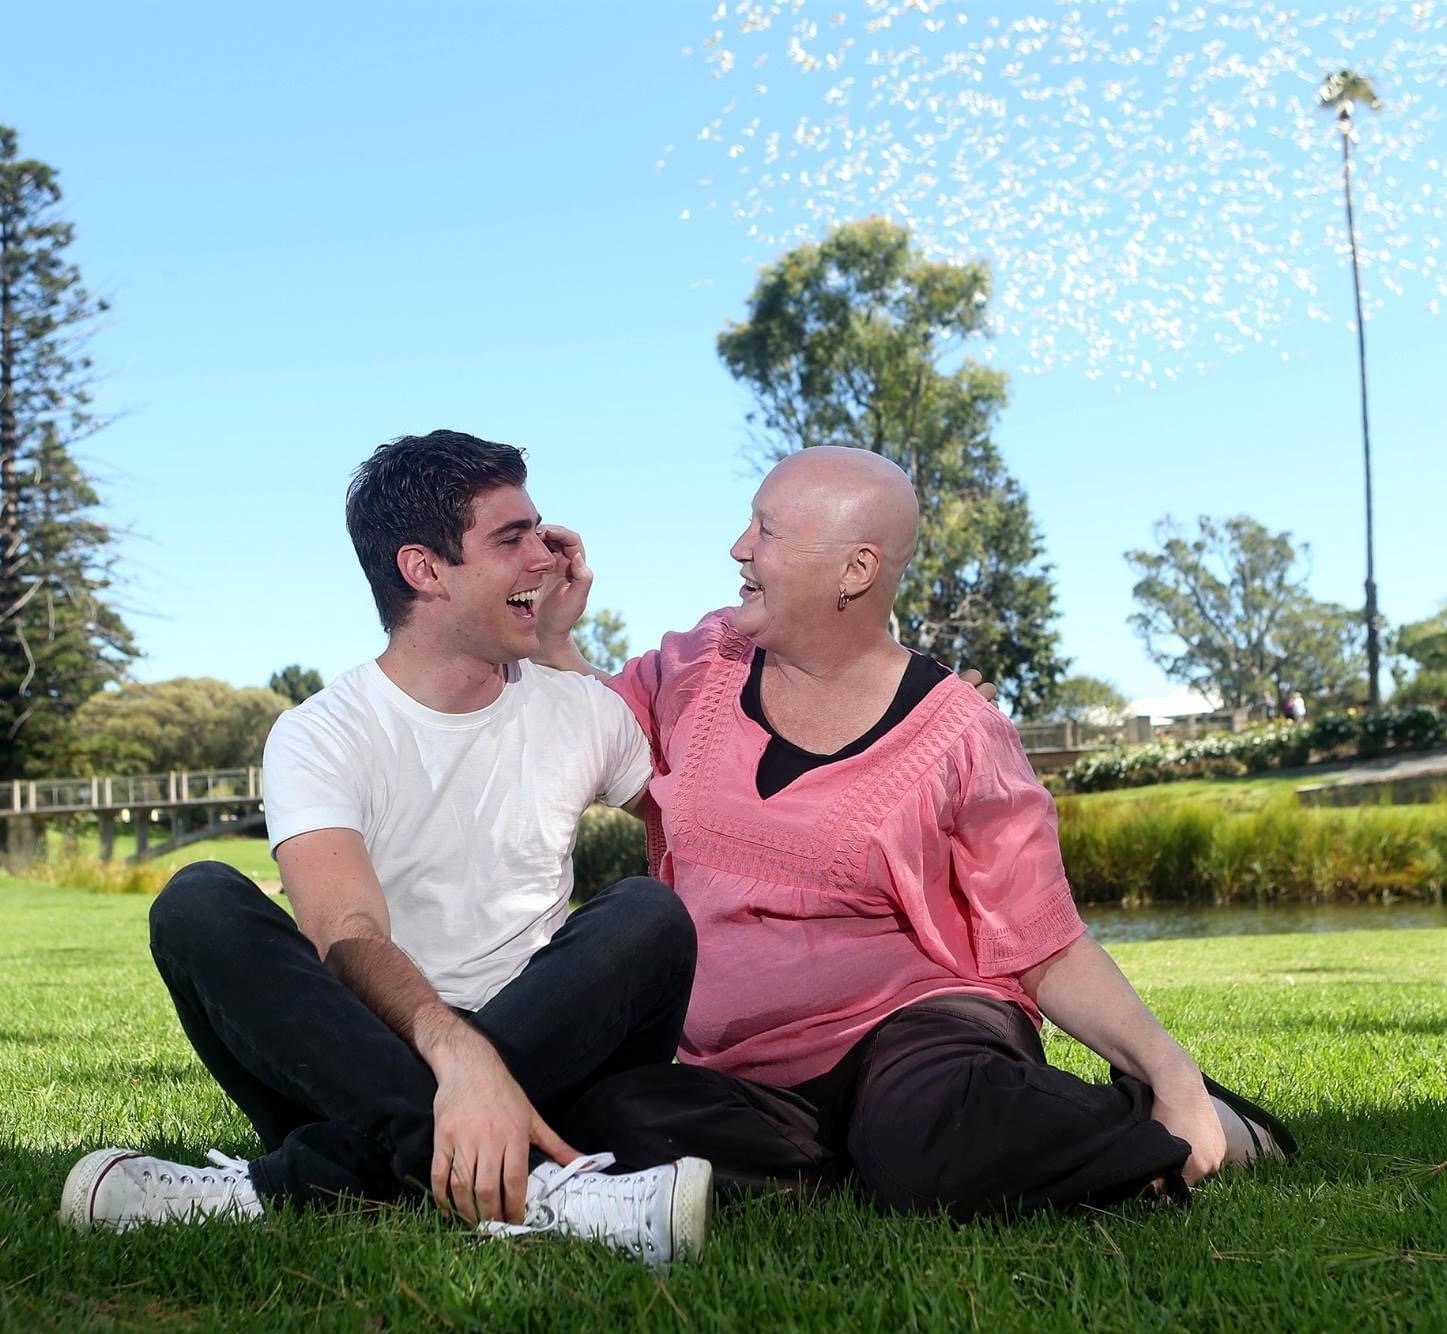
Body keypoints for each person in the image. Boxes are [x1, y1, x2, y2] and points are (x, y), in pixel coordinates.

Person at [537, 446, 1294, 1218]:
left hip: (921, 1036)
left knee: (926, 1128)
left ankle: (1203, 1128)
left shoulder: (962, 735)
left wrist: (1175, 1078)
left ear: (855, 570)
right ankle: (857, 1161)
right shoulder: (701, 664)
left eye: (766, 529)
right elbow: (604, 742)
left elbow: (1046, 943)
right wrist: (551, 642)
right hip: (751, 1074)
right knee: (614, 1113)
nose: (739, 548)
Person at [60, 431, 711, 1265]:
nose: (545, 560)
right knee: (198, 903)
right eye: (512, 539)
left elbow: (689, 837)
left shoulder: (582, 710)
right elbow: (348, 934)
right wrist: (454, 1049)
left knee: (648, 913)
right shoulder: (320, 734)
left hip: (551, 1056)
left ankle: (286, 1186)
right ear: (424, 569)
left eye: (542, 534)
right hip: (363, 1057)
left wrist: (559, 646)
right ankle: (546, 1191)